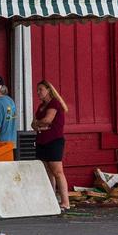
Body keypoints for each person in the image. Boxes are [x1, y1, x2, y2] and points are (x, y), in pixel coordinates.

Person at [32, 80, 70, 211]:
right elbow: (34, 124)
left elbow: (48, 120)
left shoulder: (54, 103)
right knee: (47, 171)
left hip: (54, 140)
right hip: (42, 140)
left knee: (57, 171)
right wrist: (40, 124)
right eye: (37, 90)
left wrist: (40, 124)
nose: (38, 93)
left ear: (48, 90)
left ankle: (65, 202)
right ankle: (52, 199)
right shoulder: (41, 106)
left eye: (41, 89)